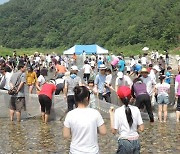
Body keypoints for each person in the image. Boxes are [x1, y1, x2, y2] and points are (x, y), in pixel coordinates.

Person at [63, 86, 106, 154]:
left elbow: (66, 135)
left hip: (75, 151)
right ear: (87, 98)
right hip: (92, 151)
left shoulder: (70, 114)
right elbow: (103, 132)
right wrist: (93, 128)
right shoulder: (95, 113)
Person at [109, 86, 144, 154]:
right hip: (136, 141)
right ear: (131, 97)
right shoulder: (136, 109)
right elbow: (142, 128)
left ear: (119, 98)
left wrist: (111, 114)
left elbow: (113, 131)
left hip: (124, 141)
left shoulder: (118, 111)